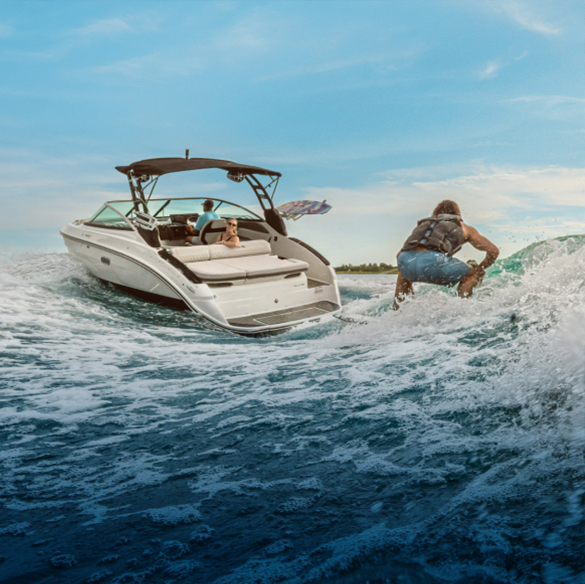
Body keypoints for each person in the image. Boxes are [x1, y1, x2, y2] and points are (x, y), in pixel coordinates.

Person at [393, 200, 499, 308]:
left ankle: (398, 308)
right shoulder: (463, 227)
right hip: (433, 261)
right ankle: (460, 310)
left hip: (405, 259)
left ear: (436, 212)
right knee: (471, 273)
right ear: (457, 213)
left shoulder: (425, 225)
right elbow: (494, 251)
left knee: (404, 269)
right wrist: (481, 268)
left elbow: (399, 255)